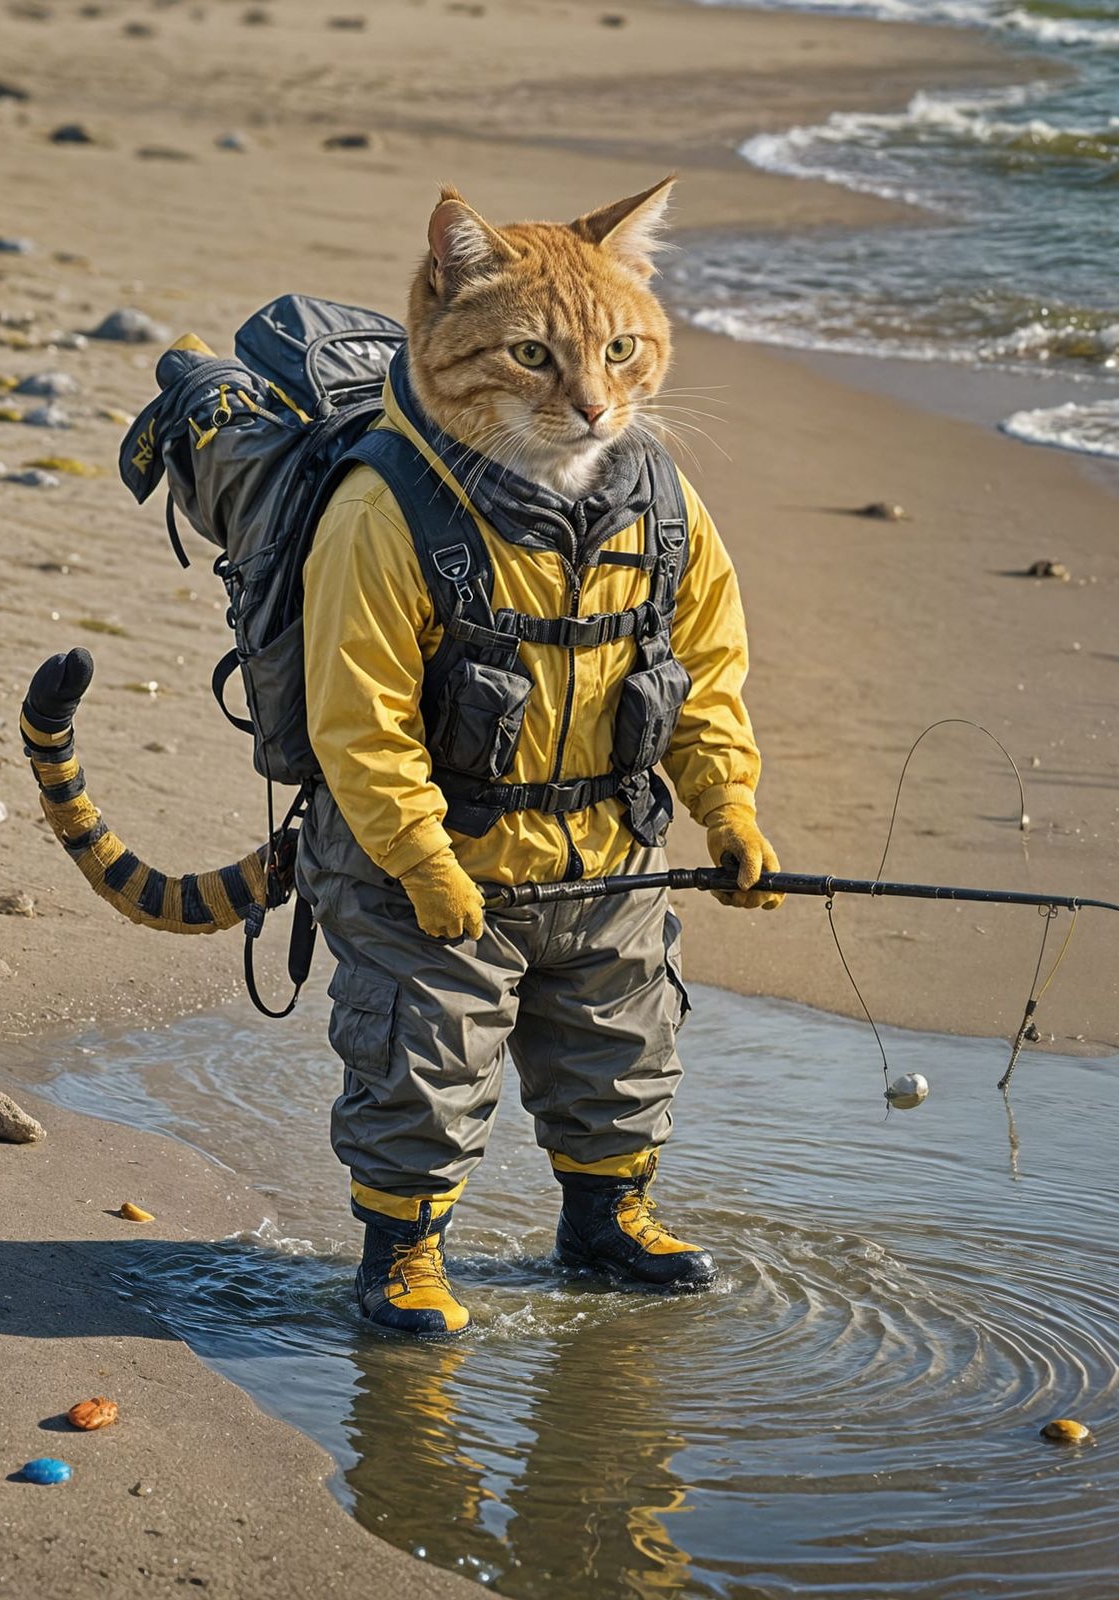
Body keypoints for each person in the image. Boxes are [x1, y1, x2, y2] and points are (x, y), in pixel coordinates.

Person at [296, 178, 783, 1336]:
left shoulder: (662, 499)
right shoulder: (382, 510)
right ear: (443, 304)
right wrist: (420, 856)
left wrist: (726, 805)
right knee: (423, 1054)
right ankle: (402, 1252)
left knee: (625, 1040)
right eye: (533, 360)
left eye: (620, 353)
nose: (592, 400)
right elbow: (358, 715)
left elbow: (705, 664)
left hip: (605, 848)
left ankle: (606, 1220)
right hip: (432, 857)